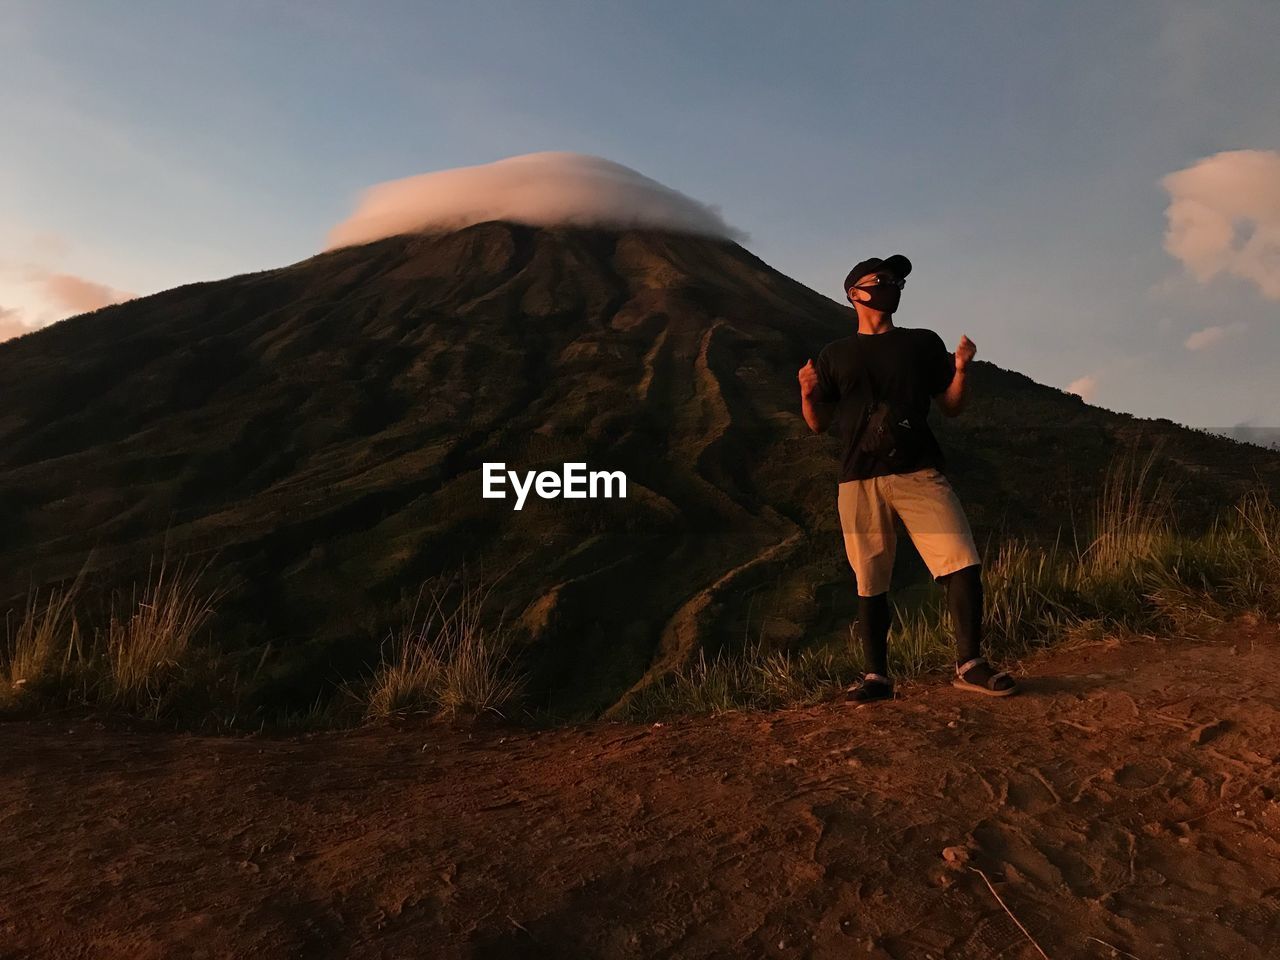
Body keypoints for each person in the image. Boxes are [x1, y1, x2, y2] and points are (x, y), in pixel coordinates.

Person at [797, 254, 1017, 701]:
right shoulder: (834, 354)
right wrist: (805, 392)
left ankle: (970, 663)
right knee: (870, 578)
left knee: (961, 559)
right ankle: (877, 677)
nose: (892, 286)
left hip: (918, 469)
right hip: (858, 478)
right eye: (882, 280)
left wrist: (960, 370)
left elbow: (951, 406)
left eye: (897, 280)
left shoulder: (921, 343)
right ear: (854, 293)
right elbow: (818, 423)